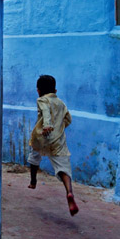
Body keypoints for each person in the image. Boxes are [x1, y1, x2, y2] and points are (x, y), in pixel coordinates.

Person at [28, 75, 79, 216]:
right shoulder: (61, 103)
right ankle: (69, 192)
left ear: (38, 90)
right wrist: (59, 127)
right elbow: (68, 118)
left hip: (42, 136)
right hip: (57, 139)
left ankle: (33, 181)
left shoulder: (41, 99)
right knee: (63, 166)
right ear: (55, 90)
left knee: (34, 156)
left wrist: (48, 125)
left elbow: (45, 111)